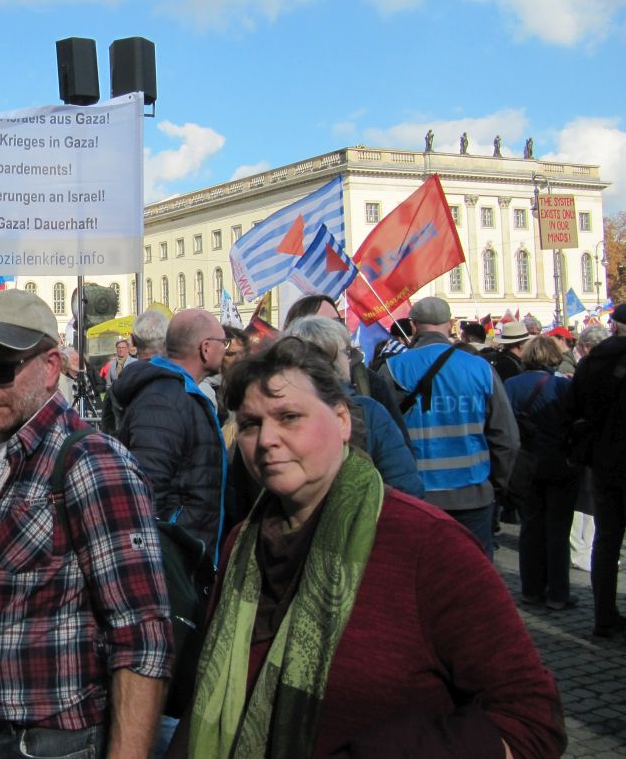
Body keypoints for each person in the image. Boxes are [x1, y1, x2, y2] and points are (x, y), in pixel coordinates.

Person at [170, 337, 566, 758]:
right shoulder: (242, 545)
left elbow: (531, 720)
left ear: (342, 420)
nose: (267, 439)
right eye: (250, 424)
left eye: (289, 417)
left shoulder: (427, 545)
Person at [0, 290, 172, 759]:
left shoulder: (91, 464)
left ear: (50, 367)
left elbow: (141, 638)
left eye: (1, 370)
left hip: (59, 742)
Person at [378, 296, 519, 558]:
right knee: (473, 579)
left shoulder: (393, 368)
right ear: (450, 323)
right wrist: (496, 485)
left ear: (413, 325)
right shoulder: (479, 367)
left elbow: (381, 435)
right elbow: (506, 437)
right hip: (472, 491)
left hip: (415, 493)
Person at [114, 308, 229, 555]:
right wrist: (172, 553)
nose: (226, 349)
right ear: (206, 348)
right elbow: (147, 489)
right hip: (175, 560)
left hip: (188, 554)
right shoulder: (163, 399)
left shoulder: (177, 392)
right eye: (223, 342)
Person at [567, 302, 626, 645]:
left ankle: (603, 618)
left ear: (613, 327)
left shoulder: (589, 364)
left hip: (600, 464)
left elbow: (571, 412)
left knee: (606, 540)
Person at [283, 316, 423, 498]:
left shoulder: (269, 411)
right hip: (369, 520)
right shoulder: (368, 411)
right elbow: (406, 489)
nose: (349, 360)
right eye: (346, 353)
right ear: (333, 358)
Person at [504, 336, 581, 610]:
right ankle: (558, 593)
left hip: (525, 465)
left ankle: (530, 589)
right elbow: (575, 422)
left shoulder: (511, 385)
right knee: (558, 530)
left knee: (530, 528)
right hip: (560, 464)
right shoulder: (562, 386)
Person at [569, 325, 609, 571]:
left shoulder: (588, 368)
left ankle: (589, 549)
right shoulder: (579, 367)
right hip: (587, 445)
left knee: (590, 501)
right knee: (583, 501)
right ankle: (581, 551)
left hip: (592, 444)